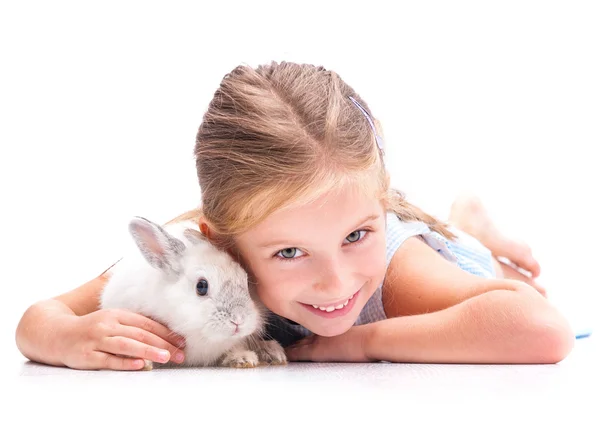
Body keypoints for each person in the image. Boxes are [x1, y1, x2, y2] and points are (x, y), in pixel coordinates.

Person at [15, 61, 574, 370]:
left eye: (357, 234)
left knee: (514, 282)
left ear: (377, 212)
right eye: (288, 252)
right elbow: (39, 318)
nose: (335, 280)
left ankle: (468, 230)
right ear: (226, 245)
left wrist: (357, 341)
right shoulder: (204, 262)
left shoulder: (391, 273)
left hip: (442, 262)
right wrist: (66, 337)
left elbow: (540, 328)